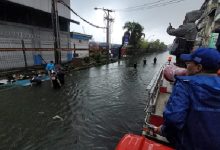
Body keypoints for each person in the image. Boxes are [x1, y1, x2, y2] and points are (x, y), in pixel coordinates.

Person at [154, 48, 220, 150]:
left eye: (189, 63)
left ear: (198, 67)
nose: (186, 66)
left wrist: (163, 130)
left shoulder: (186, 84)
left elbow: (174, 120)